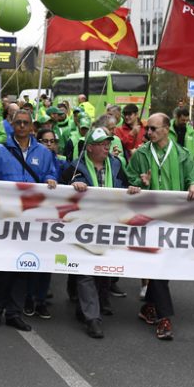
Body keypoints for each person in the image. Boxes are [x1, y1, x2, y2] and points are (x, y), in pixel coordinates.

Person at [125, 112, 194, 341]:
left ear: (167, 129)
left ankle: (148, 305)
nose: (148, 133)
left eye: (154, 129)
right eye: (148, 129)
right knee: (158, 264)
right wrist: (139, 182)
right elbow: (128, 179)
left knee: (164, 264)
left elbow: (193, 176)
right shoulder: (141, 154)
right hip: (148, 218)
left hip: (173, 219)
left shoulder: (182, 154)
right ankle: (164, 317)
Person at [61, 127, 140, 338]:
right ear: (89, 148)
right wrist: (71, 185)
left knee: (103, 270)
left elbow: (127, 185)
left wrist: (134, 187)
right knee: (86, 271)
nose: (107, 146)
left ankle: (90, 304)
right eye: (101, 143)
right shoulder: (74, 167)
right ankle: (92, 318)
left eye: (108, 142)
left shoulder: (116, 164)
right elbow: (60, 195)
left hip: (109, 227)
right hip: (83, 229)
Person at [0, 109, 59, 331]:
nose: (23, 126)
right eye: (18, 123)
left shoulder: (44, 153)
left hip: (32, 219)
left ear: (32, 127)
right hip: (6, 218)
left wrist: (51, 179)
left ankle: (14, 313)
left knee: (24, 265)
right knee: (5, 266)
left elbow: (51, 173)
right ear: (12, 125)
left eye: (26, 123)